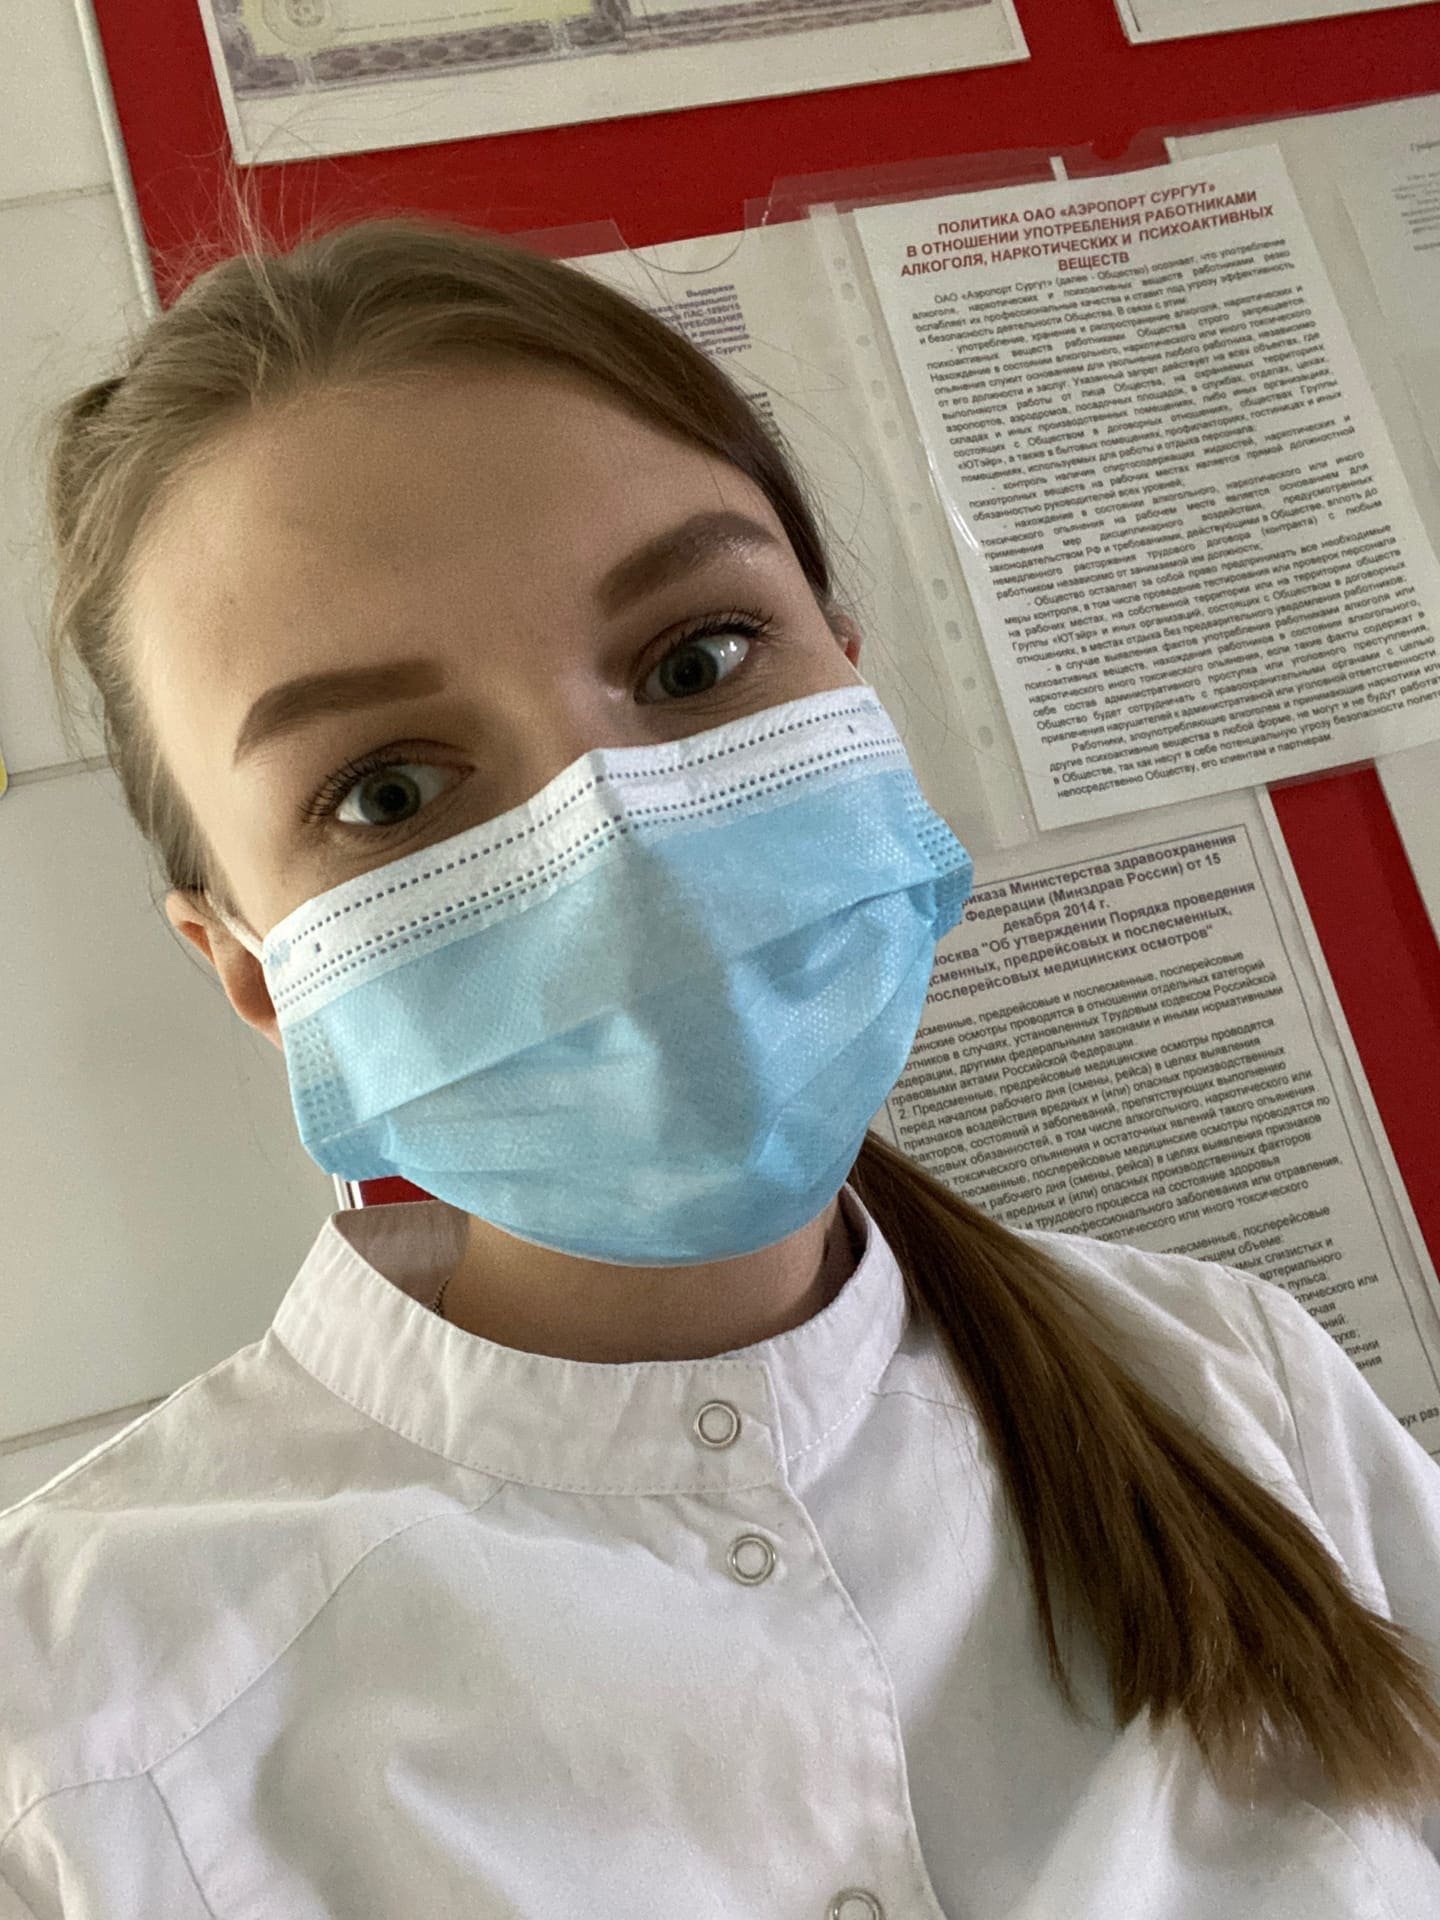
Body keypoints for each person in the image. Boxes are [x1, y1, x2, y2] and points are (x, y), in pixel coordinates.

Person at [4, 209, 1440, 1920]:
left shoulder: (1240, 1388)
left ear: (853, 682)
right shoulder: (63, 1721)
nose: (622, 857)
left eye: (696, 661)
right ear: (252, 974)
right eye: (386, 791)